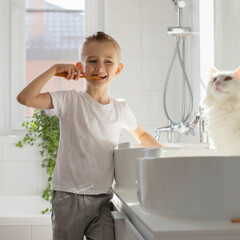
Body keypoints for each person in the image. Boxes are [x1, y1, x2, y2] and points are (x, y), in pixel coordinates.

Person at [17, 31, 162, 240]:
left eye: (108, 62)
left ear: (118, 69)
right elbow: (25, 98)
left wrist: (164, 155)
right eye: (92, 60)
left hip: (103, 200)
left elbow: (141, 134)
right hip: (68, 197)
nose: (100, 67)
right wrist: (54, 70)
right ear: (80, 67)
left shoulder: (120, 108)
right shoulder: (68, 100)